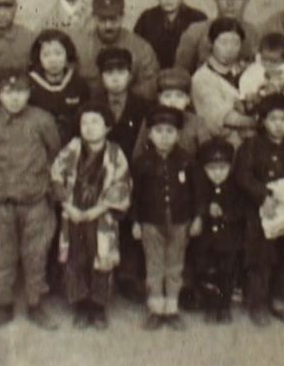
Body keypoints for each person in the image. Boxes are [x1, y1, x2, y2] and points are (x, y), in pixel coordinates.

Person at [0, 69, 63, 330]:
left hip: (35, 202)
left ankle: (36, 304)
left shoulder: (42, 120)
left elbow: (54, 151)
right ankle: (4, 305)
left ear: (29, 93)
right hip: (1, 203)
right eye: (8, 92)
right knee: (2, 255)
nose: (14, 98)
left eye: (21, 92)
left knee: (36, 255)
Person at [233, 94, 284, 325]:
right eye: (273, 119)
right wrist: (262, 196)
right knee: (261, 256)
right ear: (262, 121)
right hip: (263, 209)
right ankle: (257, 302)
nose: (279, 125)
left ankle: (282, 299)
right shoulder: (251, 146)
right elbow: (242, 175)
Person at [51, 102, 132, 330]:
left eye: (95, 122)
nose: (89, 127)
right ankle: (80, 305)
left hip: (101, 215)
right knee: (76, 258)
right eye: (84, 122)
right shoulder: (73, 148)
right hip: (74, 214)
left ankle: (98, 307)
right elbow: (56, 176)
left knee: (101, 258)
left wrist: (98, 210)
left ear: (107, 127)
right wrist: (68, 207)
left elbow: (121, 184)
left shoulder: (115, 153)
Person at [93, 46, 153, 299]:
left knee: (130, 224)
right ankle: (101, 275)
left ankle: (128, 276)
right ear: (101, 77)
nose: (115, 78)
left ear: (130, 75)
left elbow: (146, 143)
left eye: (121, 72)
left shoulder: (144, 106)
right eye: (109, 73)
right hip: (100, 175)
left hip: (133, 174)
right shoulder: (93, 104)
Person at [131, 106, 198, 330]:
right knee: (154, 263)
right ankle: (155, 307)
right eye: (159, 131)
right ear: (149, 134)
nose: (164, 136)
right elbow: (134, 194)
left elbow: (198, 192)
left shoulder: (187, 160)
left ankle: (172, 307)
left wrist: (198, 217)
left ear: (178, 134)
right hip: (151, 221)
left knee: (175, 264)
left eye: (170, 131)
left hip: (180, 221)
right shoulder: (142, 162)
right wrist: (135, 222)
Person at [74, 0, 160, 100]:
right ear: (94, 17)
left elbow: (150, 86)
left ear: (122, 17)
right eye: (102, 19)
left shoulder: (141, 48)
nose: (108, 25)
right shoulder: (79, 47)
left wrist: (119, 99)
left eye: (113, 19)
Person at [193, 140, 245, 324]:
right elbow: (194, 206)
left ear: (230, 167)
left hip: (229, 241)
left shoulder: (235, 187)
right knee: (206, 273)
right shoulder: (200, 186)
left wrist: (225, 214)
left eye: (222, 168)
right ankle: (210, 305)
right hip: (206, 242)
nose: (217, 173)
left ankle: (224, 307)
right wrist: (203, 211)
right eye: (212, 168)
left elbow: (242, 210)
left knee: (227, 274)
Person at [174, 0, 260, 72]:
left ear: (246, 1)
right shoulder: (196, 32)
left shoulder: (254, 34)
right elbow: (180, 75)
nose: (230, 3)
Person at [192, 18, 257, 147]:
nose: (230, 48)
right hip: (222, 147)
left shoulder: (247, 70)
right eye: (224, 42)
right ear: (211, 43)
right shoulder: (202, 78)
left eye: (236, 43)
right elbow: (225, 118)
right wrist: (260, 121)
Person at [134, 0, 208, 70]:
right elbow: (136, 52)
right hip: (154, 77)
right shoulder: (146, 18)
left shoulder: (198, 18)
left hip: (188, 78)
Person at [26, 29, 90, 145]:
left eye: (58, 53)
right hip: (39, 143)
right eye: (46, 55)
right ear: (38, 59)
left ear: (67, 56)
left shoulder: (78, 84)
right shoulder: (30, 84)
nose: (53, 60)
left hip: (73, 143)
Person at [132, 67, 209, 160]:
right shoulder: (150, 120)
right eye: (167, 96)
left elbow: (207, 155)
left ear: (188, 99)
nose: (173, 102)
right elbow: (138, 155)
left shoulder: (197, 123)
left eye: (179, 96)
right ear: (159, 98)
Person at [239, 31, 284, 111]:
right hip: (257, 103)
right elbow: (245, 88)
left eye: (274, 62)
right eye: (265, 60)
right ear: (260, 55)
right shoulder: (254, 70)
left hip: (283, 105)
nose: (268, 65)